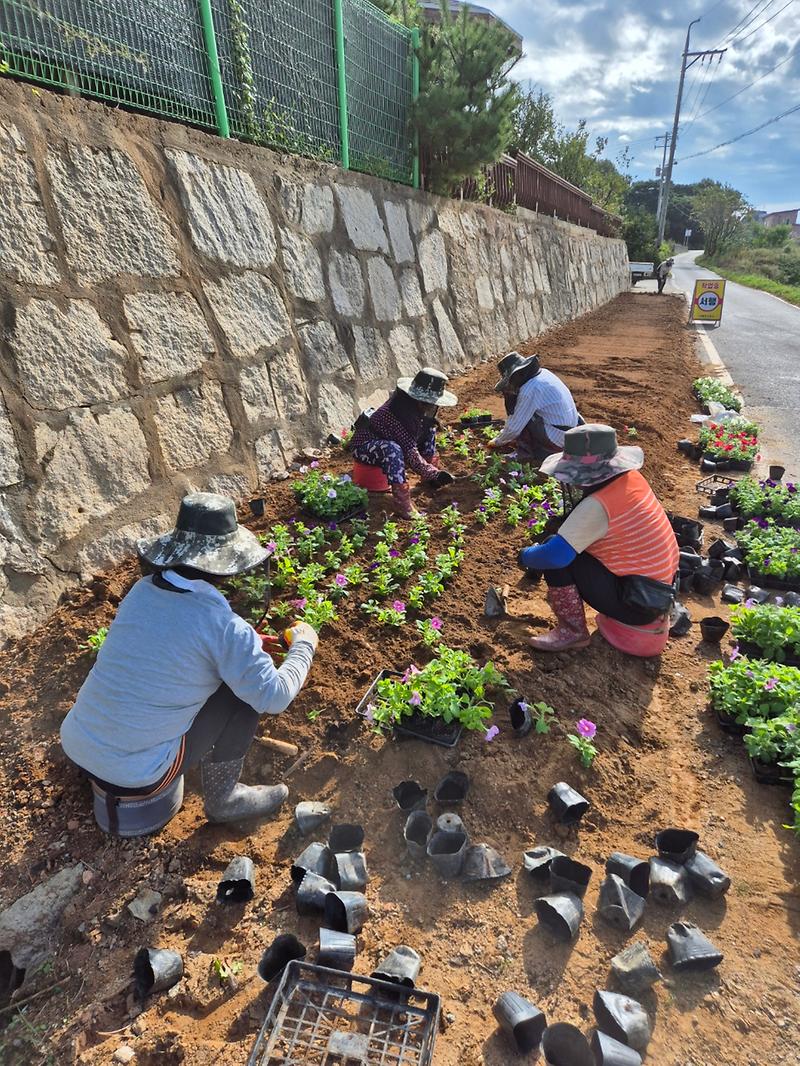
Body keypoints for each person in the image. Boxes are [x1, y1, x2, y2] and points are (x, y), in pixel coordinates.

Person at [60, 493, 319, 837]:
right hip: (143, 776)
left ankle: (107, 765)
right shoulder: (224, 627)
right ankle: (224, 799)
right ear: (227, 563)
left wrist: (242, 644)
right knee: (240, 693)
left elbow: (172, 644)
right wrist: (304, 645)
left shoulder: (140, 592)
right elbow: (273, 696)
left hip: (79, 745)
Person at [518, 424, 679, 656]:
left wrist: (525, 556)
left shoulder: (598, 505)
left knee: (556, 553)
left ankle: (572, 632)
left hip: (636, 604)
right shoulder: (631, 480)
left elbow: (554, 555)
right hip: (658, 591)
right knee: (568, 545)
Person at [350, 367, 457, 518]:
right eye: (427, 403)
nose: (430, 406)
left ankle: (430, 479)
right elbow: (410, 454)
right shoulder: (393, 413)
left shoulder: (415, 412)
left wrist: (433, 473)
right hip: (366, 448)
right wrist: (434, 473)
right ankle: (402, 502)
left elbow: (415, 441)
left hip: (392, 446)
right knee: (392, 449)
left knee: (430, 429)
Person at [488, 352, 581, 462]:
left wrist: (498, 441)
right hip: (571, 432)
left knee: (524, 415)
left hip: (557, 439)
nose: (511, 384)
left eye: (511, 379)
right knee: (529, 412)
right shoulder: (545, 374)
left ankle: (524, 452)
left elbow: (514, 428)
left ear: (519, 374)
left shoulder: (530, 389)